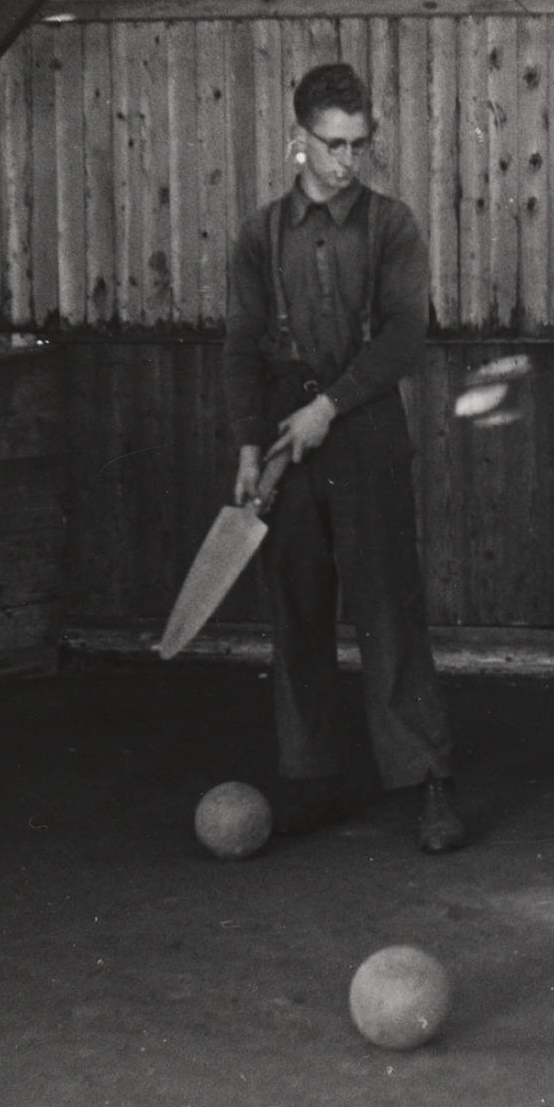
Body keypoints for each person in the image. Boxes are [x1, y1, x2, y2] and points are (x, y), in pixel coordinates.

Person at [222, 61, 464, 852]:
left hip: (364, 432)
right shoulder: (259, 237)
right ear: (299, 140)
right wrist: (251, 444)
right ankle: (312, 779)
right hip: (285, 441)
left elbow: (404, 337)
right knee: (297, 612)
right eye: (333, 145)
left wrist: (330, 407)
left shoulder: (393, 227)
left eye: (359, 144)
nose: (347, 161)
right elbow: (240, 346)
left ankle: (428, 782)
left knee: (388, 608)